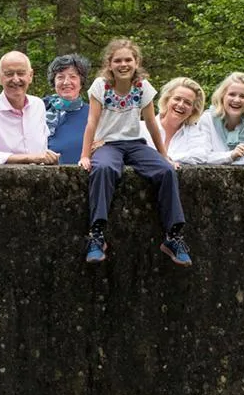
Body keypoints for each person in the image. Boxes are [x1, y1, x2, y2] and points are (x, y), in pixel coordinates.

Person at [79, 38, 191, 267]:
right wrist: (85, 155)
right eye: (117, 60)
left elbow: (151, 123)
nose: (123, 64)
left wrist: (164, 155)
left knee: (166, 171)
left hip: (135, 143)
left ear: (136, 62)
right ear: (109, 64)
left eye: (128, 59)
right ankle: (96, 234)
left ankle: (173, 236)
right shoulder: (101, 86)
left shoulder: (143, 87)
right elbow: (92, 121)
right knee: (104, 169)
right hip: (108, 144)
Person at [0, 51, 57, 165]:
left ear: (30, 76)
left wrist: (49, 157)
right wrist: (30, 158)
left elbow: (42, 149)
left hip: (39, 178)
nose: (16, 79)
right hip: (0, 180)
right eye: (9, 74)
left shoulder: (38, 105)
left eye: (21, 73)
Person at [202, 72, 244, 165]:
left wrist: (230, 161)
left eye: (243, 96)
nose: (237, 100)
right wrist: (231, 156)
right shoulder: (207, 119)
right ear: (222, 96)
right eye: (232, 94)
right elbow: (202, 156)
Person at [157, 77, 222, 167]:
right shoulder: (143, 128)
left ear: (193, 110)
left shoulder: (195, 133)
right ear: (167, 100)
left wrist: (168, 158)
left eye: (187, 103)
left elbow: (200, 156)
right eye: (177, 99)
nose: (180, 105)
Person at [44, 53, 92, 165]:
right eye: (60, 77)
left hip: (83, 176)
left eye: (73, 77)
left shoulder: (93, 113)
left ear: (81, 82)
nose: (66, 82)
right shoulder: (40, 109)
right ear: (54, 82)